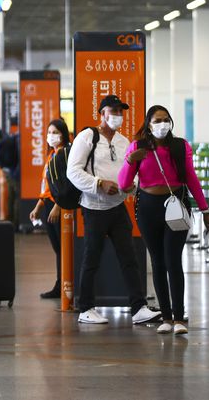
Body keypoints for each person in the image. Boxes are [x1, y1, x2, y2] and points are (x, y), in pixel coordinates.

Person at [118, 104, 209, 336]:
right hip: (148, 208)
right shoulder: (138, 147)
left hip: (177, 205)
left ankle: (179, 318)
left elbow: (191, 178)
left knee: (173, 261)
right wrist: (131, 160)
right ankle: (166, 316)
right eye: (157, 120)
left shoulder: (181, 146)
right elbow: (124, 184)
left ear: (170, 122)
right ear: (148, 124)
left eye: (165, 120)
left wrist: (205, 211)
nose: (162, 124)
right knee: (158, 262)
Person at [66, 95, 160, 326]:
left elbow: (133, 171)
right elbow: (73, 172)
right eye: (113, 110)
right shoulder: (87, 137)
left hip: (118, 207)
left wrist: (131, 186)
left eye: (121, 111)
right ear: (102, 113)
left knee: (129, 257)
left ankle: (138, 307)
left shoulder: (123, 141)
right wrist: (99, 183)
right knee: (92, 258)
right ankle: (86, 308)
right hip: (94, 208)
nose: (117, 115)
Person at [29, 119, 69, 299]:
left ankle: (65, 285)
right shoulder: (51, 155)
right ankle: (60, 284)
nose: (51, 136)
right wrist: (39, 205)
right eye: (49, 132)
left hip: (59, 207)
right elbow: (46, 185)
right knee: (57, 249)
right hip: (49, 205)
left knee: (64, 248)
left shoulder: (66, 155)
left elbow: (68, 184)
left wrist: (58, 206)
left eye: (55, 132)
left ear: (63, 134)